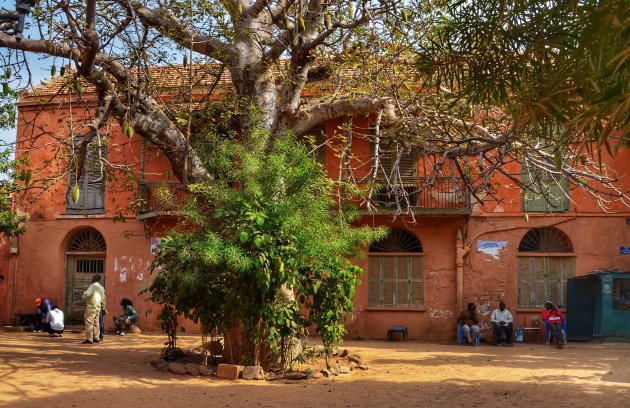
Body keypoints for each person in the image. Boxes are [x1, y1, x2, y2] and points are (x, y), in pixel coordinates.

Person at [81, 273, 106, 344]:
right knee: (96, 323)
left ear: (95, 278)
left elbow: (88, 294)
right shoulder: (101, 287)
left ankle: (89, 339)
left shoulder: (93, 286)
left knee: (89, 322)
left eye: (93, 277)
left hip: (91, 307)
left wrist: (84, 294)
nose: (92, 278)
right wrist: (103, 306)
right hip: (98, 308)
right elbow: (104, 298)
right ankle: (96, 337)